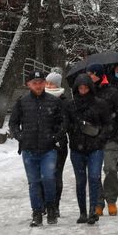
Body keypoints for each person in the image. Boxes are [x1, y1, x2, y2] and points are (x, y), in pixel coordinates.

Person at [9, 70, 65, 227]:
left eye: (41, 82)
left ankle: (51, 208)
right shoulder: (22, 102)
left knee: (48, 178)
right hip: (29, 150)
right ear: (28, 84)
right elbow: (13, 123)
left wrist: (55, 137)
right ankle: (37, 212)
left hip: (48, 150)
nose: (38, 85)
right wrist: (21, 136)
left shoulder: (54, 101)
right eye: (35, 82)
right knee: (33, 182)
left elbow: (63, 123)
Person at [64, 73, 111, 225]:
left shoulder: (100, 104)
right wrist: (75, 128)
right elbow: (65, 125)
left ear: (90, 88)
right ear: (76, 89)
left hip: (95, 147)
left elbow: (107, 124)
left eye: (85, 87)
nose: (83, 90)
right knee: (80, 181)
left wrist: (100, 138)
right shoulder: (70, 106)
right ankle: (82, 212)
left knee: (94, 177)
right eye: (80, 88)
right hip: (77, 148)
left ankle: (93, 210)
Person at [86, 63, 118, 217]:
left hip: (110, 137)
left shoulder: (112, 92)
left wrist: (116, 129)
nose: (89, 76)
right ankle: (98, 202)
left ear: (98, 74)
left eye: (91, 74)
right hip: (91, 138)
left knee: (110, 169)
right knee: (94, 173)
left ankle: (111, 200)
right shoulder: (85, 91)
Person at [44, 71, 67, 216]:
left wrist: (57, 136)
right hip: (43, 143)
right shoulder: (40, 99)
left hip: (59, 143)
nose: (48, 85)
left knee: (56, 175)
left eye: (51, 83)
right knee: (44, 176)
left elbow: (65, 122)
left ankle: (55, 205)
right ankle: (45, 204)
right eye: (47, 82)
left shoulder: (64, 101)